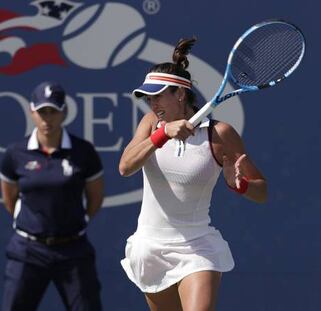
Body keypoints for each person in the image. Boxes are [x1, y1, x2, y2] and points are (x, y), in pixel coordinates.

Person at [119, 38, 267, 311]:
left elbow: (262, 191)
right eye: (149, 98)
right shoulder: (151, 124)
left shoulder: (220, 135)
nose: (153, 104)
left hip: (198, 248)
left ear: (180, 94)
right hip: (150, 247)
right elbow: (126, 167)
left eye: (159, 95)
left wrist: (240, 185)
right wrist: (163, 134)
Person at [0, 82, 104, 311]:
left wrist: (77, 223)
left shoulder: (83, 152)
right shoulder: (15, 154)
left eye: (53, 111)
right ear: (32, 112)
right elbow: (10, 198)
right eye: (42, 111)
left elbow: (95, 197)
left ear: (64, 111)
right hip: (27, 250)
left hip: (74, 249)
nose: (48, 118)